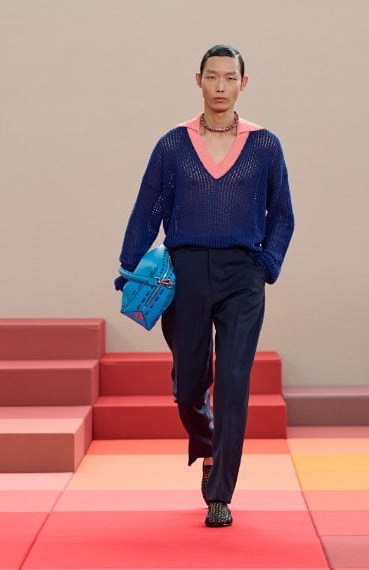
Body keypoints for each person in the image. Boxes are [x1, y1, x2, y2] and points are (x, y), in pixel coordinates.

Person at [114, 44, 294, 527]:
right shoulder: (173, 145)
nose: (220, 86)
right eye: (212, 77)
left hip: (242, 276)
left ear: (243, 83)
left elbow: (282, 215)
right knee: (189, 383)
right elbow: (147, 209)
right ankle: (205, 439)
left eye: (229, 78)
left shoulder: (265, 146)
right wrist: (129, 269)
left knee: (234, 380)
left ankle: (220, 493)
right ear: (198, 80)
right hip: (185, 273)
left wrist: (265, 265)